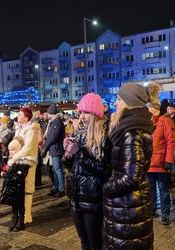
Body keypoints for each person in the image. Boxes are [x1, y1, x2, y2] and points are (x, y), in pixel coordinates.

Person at [103, 82, 154, 249]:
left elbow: (131, 177)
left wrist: (106, 188)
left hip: (128, 207)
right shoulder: (130, 127)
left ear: (129, 102)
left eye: (119, 99)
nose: (115, 103)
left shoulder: (131, 133)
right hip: (127, 204)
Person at [64, 93, 111, 250]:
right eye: (81, 112)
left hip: (92, 197)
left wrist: (81, 153)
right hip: (76, 195)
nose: (82, 116)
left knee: (95, 242)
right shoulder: (78, 131)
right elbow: (71, 166)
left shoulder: (104, 134)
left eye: (86, 112)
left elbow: (104, 169)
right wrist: (68, 154)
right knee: (83, 240)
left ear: (95, 113)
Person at [147, 100, 175, 225]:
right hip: (149, 162)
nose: (147, 109)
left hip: (160, 162)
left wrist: (169, 160)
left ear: (155, 108)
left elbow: (172, 142)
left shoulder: (165, 121)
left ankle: (165, 214)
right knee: (150, 189)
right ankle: (151, 210)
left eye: (148, 107)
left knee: (163, 189)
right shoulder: (149, 121)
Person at [8, 107, 39, 224]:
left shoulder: (32, 129)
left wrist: (14, 158)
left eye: (20, 115)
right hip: (18, 161)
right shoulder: (19, 128)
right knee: (19, 189)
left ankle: (27, 215)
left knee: (28, 189)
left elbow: (28, 148)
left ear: (26, 118)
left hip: (28, 162)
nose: (18, 116)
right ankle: (21, 215)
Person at [0, 136, 30, 232]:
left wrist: (7, 176)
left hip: (18, 186)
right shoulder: (11, 160)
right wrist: (4, 172)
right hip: (11, 186)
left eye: (13, 150)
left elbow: (20, 176)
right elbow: (7, 170)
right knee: (13, 203)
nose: (11, 152)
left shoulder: (23, 161)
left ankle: (20, 220)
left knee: (20, 203)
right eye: (10, 150)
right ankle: (14, 218)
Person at [42, 104, 65, 198]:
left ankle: (61, 189)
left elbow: (53, 137)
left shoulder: (57, 122)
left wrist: (45, 147)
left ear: (50, 113)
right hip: (53, 149)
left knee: (57, 169)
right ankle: (56, 187)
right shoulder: (54, 122)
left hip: (56, 149)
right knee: (54, 169)